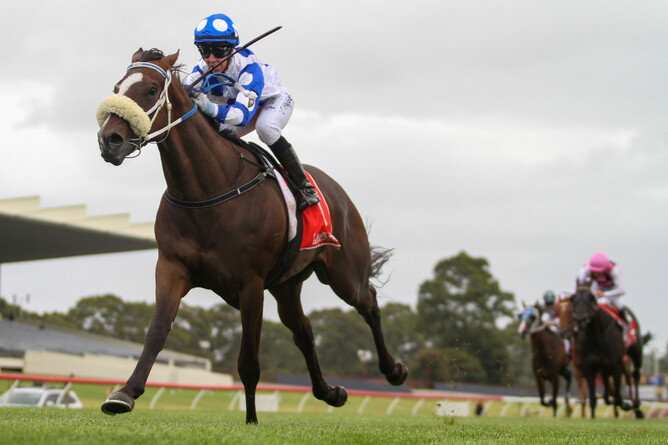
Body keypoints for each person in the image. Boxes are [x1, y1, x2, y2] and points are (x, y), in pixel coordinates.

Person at [183, 13, 320, 211]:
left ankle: (304, 187)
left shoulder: (249, 68)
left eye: (218, 50)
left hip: (273, 101)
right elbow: (185, 91)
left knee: (266, 128)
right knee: (218, 135)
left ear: (231, 47)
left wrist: (208, 107)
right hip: (242, 107)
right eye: (205, 50)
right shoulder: (202, 67)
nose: (211, 59)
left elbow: (240, 117)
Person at [577, 252, 628, 325]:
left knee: (617, 304)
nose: (596, 274)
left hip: (612, 290)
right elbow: (579, 285)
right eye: (594, 271)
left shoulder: (614, 271)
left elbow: (622, 290)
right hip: (597, 287)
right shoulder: (585, 270)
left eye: (599, 272)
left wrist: (604, 294)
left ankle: (626, 322)